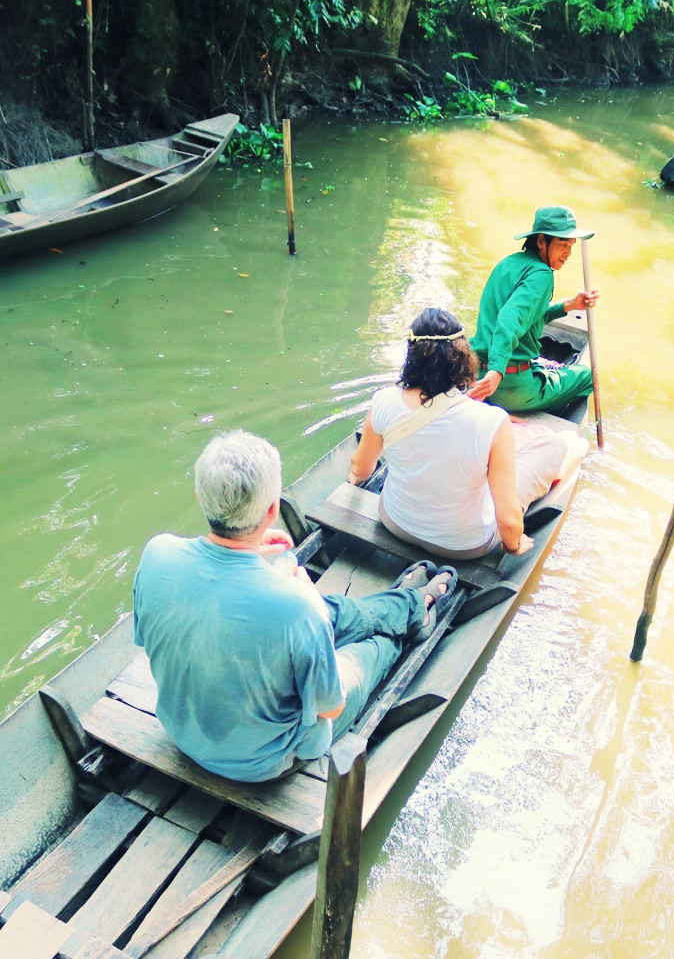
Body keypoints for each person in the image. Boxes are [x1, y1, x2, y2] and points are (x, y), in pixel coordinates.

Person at [132, 430, 457, 784]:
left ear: (200, 496)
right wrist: (306, 598)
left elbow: (196, 613)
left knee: (320, 613)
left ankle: (407, 603)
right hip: (263, 762)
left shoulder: (157, 554)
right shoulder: (299, 606)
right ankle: (412, 613)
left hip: (182, 732)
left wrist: (254, 549)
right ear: (273, 510)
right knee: (371, 647)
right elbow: (330, 707)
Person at [348, 308, 589, 561]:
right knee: (557, 445)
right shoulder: (491, 420)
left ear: (412, 355)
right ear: (462, 357)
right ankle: (570, 447)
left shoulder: (383, 400)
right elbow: (508, 521)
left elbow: (361, 470)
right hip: (464, 546)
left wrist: (355, 478)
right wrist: (513, 546)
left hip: (394, 521)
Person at [467, 205, 601, 413]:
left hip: (474, 372)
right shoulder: (541, 274)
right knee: (588, 376)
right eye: (563, 244)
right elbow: (510, 319)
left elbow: (527, 317)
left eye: (571, 245)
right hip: (505, 386)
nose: (568, 253)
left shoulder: (508, 263)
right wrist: (497, 370)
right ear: (540, 241)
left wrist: (570, 305)